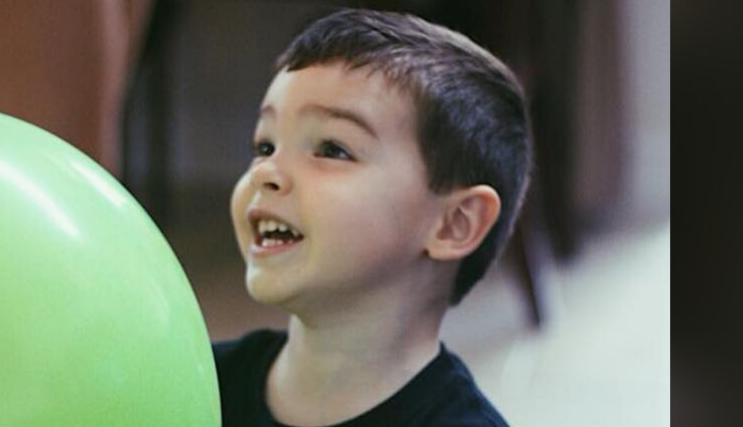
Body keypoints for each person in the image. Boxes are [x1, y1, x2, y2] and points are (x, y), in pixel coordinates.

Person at [215, 9, 531, 427]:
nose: (265, 173)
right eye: (266, 146)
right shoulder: (198, 380)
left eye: (331, 149)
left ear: (455, 223)